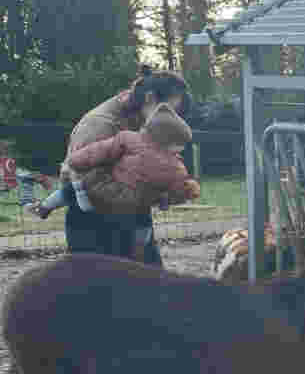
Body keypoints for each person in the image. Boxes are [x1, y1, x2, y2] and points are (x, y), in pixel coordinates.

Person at [57, 65, 191, 374]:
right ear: (151, 100)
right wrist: (141, 196)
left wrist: (166, 191)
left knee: (158, 327)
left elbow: (158, 169)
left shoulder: (148, 123)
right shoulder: (100, 124)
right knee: (102, 339)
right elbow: (83, 178)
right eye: (171, 107)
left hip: (135, 230)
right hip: (96, 232)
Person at [33, 103, 202, 261]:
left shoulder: (128, 139)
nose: (182, 148)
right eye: (180, 144)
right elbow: (179, 189)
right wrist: (178, 195)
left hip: (108, 189)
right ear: (167, 141)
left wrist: (76, 161)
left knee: (73, 189)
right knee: (142, 223)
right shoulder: (175, 166)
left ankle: (46, 206)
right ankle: (139, 249)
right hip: (133, 204)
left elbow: (99, 151)